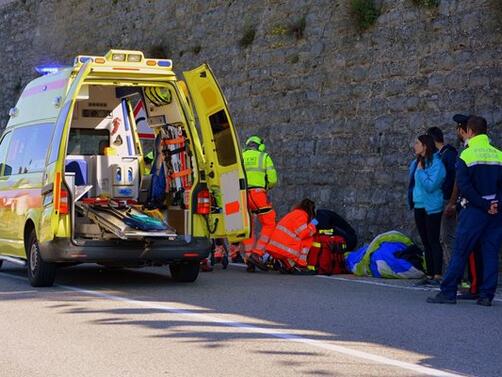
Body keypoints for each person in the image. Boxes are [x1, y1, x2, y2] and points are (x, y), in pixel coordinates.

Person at [427, 116, 502, 306]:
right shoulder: (498, 154)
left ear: (469, 131)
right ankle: (486, 296)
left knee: (460, 251)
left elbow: (464, 186)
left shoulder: (466, 155)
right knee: (490, 253)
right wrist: (495, 204)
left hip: (474, 211)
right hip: (495, 212)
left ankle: (448, 292)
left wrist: (484, 205)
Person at [408, 134, 446, 286]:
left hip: (432, 207)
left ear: (425, 146)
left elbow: (431, 186)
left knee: (433, 240)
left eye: (417, 143)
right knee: (425, 241)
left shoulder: (437, 164)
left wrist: (421, 172)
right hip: (419, 205)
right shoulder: (417, 162)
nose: (414, 145)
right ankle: (429, 274)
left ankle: (437, 274)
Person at [241, 136, 278, 272]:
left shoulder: (241, 156)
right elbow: (273, 179)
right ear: (260, 146)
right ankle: (257, 254)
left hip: (242, 195)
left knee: (247, 226)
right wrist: (267, 186)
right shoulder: (264, 157)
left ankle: (249, 256)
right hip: (258, 195)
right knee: (269, 223)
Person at [426, 127, 458, 272]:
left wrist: (451, 202)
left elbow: (453, 181)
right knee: (441, 238)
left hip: (447, 201)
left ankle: (455, 274)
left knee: (447, 238)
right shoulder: (440, 156)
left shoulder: (448, 155)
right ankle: (450, 272)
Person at [265, 198, 318, 274]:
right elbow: (304, 234)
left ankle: (288, 265)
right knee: (309, 238)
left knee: (298, 239)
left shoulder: (294, 214)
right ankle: (301, 265)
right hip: (283, 250)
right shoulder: (302, 215)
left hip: (274, 248)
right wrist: (313, 224)